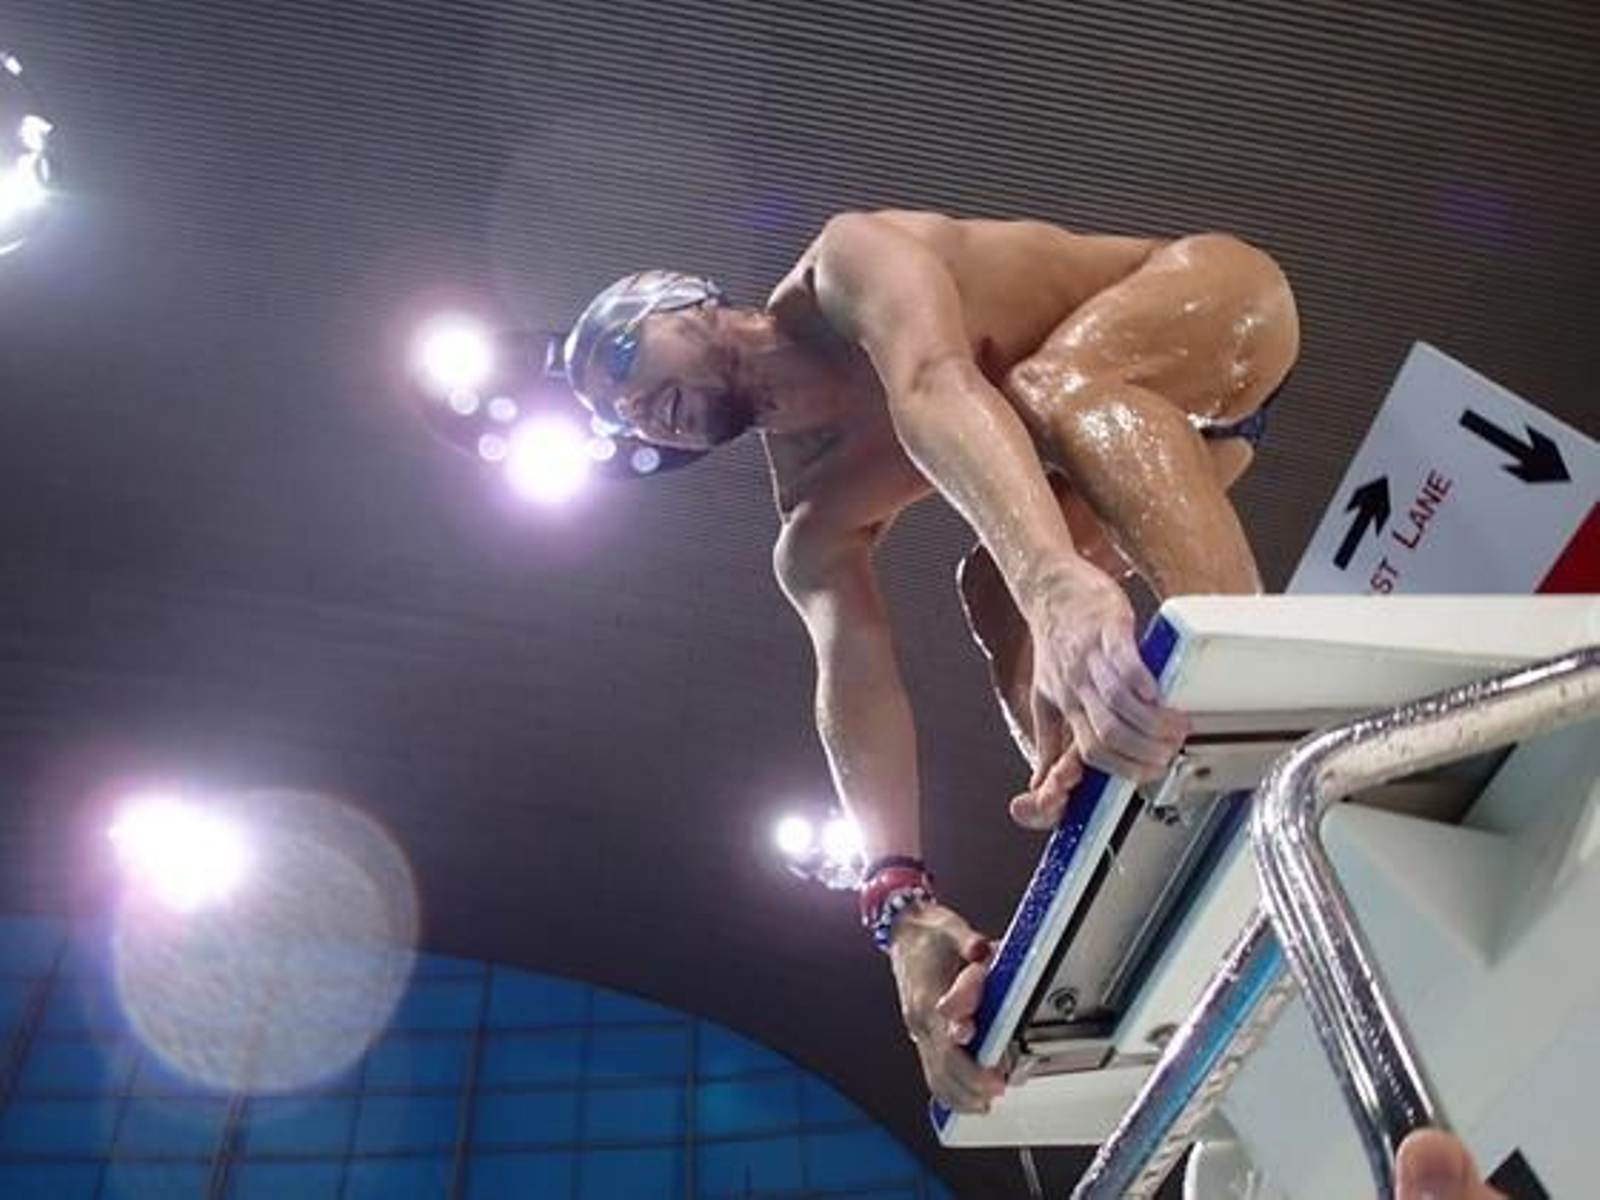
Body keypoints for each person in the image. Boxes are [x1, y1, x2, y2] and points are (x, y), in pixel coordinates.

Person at [564, 210, 1300, 1112]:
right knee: (993, 596)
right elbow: (853, 677)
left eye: (620, 367)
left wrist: (1054, 580)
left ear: (686, 304)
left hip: (1217, 305)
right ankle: (1113, 768)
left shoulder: (844, 269)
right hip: (1144, 448)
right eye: (616, 419)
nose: (630, 413)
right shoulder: (812, 523)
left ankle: (1253, 687)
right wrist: (898, 911)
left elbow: (932, 382)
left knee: (1050, 392)